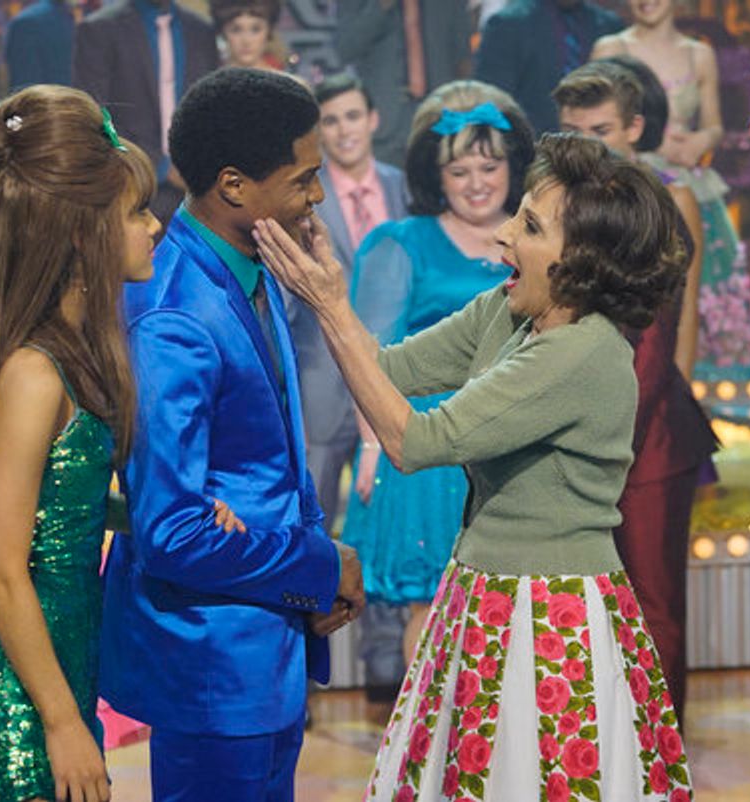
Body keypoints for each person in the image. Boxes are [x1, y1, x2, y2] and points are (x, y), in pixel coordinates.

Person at [257, 133, 693, 799]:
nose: (503, 236)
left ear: (581, 260)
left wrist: (329, 305)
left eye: (530, 226)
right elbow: (389, 368)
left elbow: (414, 441)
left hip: (548, 613)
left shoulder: (582, 353)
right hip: (483, 590)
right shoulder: (511, 313)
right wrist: (334, 299)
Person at [100, 68, 365, 802]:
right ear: (235, 186)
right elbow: (173, 533)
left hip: (265, 650)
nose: (318, 196)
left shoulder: (254, 264)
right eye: (304, 178)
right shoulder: (174, 315)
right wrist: (317, 566)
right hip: (213, 665)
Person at [0, 84, 169, 802]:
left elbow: (64, 504)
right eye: (136, 212)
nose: (154, 226)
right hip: (6, 680)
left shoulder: (76, 350)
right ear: (82, 233)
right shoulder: (34, 372)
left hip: (51, 660)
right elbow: (0, 569)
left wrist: (156, 515)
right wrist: (61, 724)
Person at [343, 80, 534, 671]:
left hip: (521, 440)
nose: (477, 183)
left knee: (519, 614)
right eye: (459, 171)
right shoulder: (401, 243)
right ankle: (431, 731)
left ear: (513, 166)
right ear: (435, 174)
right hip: (433, 450)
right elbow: (369, 357)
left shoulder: (538, 237)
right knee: (434, 612)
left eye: (489, 166)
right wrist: (372, 446)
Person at [554, 57, 717, 721]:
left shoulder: (656, 209)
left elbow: (652, 348)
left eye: (599, 131)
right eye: (572, 132)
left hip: (644, 444)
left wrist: (600, 446)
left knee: (652, 607)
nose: (586, 146)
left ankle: (659, 755)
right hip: (586, 438)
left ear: (634, 129)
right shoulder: (568, 206)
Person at [292, 72, 409, 699]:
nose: (343, 131)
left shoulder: (402, 186)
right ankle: (303, 664)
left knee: (388, 512)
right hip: (320, 381)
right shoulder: (303, 193)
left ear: (373, 119)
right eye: (330, 121)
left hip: (392, 375)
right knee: (311, 517)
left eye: (352, 116)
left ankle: (387, 663)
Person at [591, 0, 750, 366]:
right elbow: (594, 123)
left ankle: (687, 383)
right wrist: (653, 143)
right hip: (633, 183)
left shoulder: (699, 54)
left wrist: (701, 141)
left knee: (696, 292)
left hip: (687, 180)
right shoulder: (610, 49)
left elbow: (714, 125)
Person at [74, 0, 219, 223]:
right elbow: (93, 116)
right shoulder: (99, 29)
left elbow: (211, 109)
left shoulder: (201, 30)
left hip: (196, 193)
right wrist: (162, 167)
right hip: (130, 188)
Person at [335, 0, 473, 168]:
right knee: (384, 183)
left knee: (434, 181)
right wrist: (380, 7)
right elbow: (345, 48)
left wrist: (463, 113)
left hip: (439, 118)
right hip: (383, 122)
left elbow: (463, 57)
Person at [474, 0, 622, 134]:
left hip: (595, 147)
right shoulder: (507, 24)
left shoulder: (609, 25)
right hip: (533, 145)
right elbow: (492, 99)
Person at [210, 0, 287, 70]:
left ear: (269, 30)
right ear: (223, 32)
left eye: (255, 29)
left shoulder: (286, 79)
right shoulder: (210, 79)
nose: (246, 41)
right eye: (236, 30)